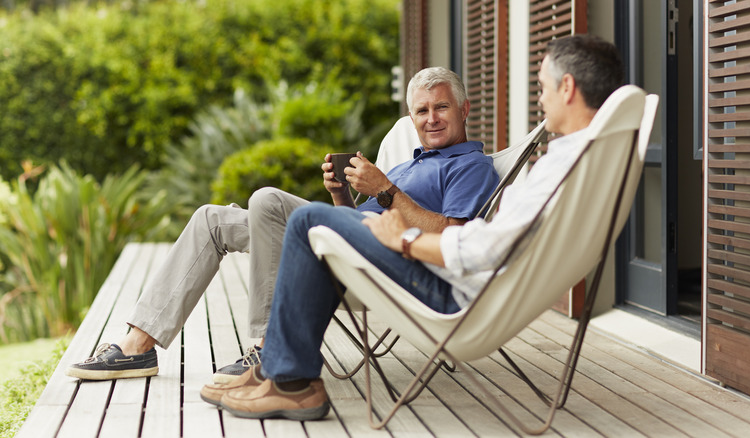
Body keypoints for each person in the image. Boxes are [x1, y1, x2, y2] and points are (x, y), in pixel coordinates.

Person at [205, 34, 624, 421]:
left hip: (449, 293)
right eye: (422, 111)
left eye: (543, 87)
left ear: (567, 88)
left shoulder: (550, 171)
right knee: (299, 216)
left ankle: (288, 378)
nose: (540, 98)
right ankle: (281, 368)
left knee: (306, 220)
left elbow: (482, 247)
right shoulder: (577, 165)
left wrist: (404, 239)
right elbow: (494, 242)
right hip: (444, 275)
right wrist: (354, 201)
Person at [66, 67, 500, 382]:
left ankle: (266, 347)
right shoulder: (412, 162)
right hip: (348, 241)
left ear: (463, 109)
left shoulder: (471, 166)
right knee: (211, 220)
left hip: (390, 263)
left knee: (267, 200)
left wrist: (385, 189)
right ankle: (138, 346)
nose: (431, 119)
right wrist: (339, 195)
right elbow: (366, 213)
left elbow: (452, 236)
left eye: (441, 107)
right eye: (421, 111)